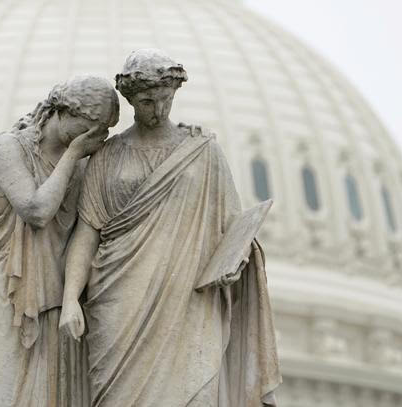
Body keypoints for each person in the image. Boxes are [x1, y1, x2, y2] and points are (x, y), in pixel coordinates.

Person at [59, 49, 281, 406]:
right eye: (147, 101)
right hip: (119, 302)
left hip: (188, 300)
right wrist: (71, 299)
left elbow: (232, 229)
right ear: (131, 100)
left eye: (165, 100)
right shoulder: (107, 156)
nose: (157, 110)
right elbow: (87, 233)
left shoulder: (202, 151)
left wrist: (234, 261)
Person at [0, 75, 119, 406]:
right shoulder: (7, 148)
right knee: (10, 395)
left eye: (101, 130)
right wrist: (74, 154)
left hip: (57, 293)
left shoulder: (84, 164)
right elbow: (36, 210)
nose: (94, 137)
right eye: (89, 126)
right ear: (63, 112)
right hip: (8, 291)